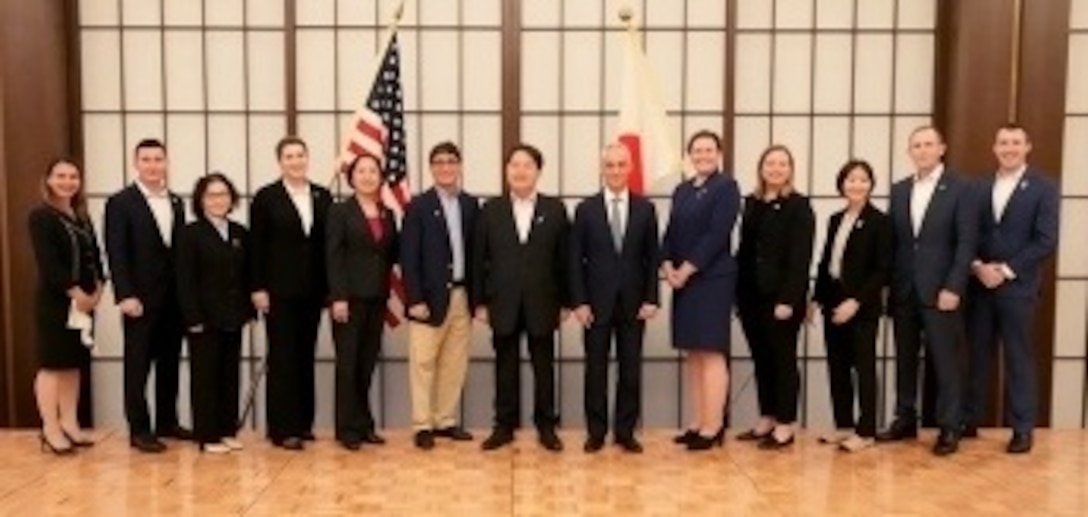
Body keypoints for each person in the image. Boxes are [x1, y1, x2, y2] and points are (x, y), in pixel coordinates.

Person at [879, 126, 976, 456]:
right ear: (910, 152)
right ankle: (905, 417)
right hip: (904, 288)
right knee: (904, 358)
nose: (922, 150)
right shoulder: (900, 190)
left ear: (941, 148)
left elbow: (966, 242)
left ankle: (950, 425)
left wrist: (954, 285)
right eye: (916, 145)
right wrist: (887, 286)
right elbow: (894, 242)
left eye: (928, 144)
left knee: (946, 361)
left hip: (941, 290)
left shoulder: (961, 188)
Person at [963, 124, 1059, 454]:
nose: (1009, 148)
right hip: (979, 284)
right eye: (1003, 142)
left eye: (1016, 143)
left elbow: (1046, 240)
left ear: (1028, 147)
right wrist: (977, 266)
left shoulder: (1044, 187)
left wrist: (1005, 270)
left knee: (1019, 358)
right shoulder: (978, 187)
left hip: (1017, 287)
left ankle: (1021, 428)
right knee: (976, 355)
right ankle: (969, 420)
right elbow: (967, 233)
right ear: (994, 148)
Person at [474, 144, 570, 452]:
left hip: (543, 300)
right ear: (506, 171)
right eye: (514, 165)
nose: (520, 171)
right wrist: (479, 302)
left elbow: (564, 260)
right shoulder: (490, 210)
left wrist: (567, 302)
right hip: (502, 301)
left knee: (544, 367)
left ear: (538, 171)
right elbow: (479, 259)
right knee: (505, 365)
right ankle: (504, 425)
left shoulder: (555, 209)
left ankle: (546, 426)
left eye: (527, 165)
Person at [569, 143, 659, 454]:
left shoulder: (646, 209)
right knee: (595, 370)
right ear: (602, 168)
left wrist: (652, 298)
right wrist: (579, 302)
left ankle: (625, 432)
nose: (616, 171)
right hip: (595, 305)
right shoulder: (586, 209)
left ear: (630, 167)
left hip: (635, 304)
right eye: (610, 165)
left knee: (630, 370)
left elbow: (652, 257)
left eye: (622, 165)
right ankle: (596, 432)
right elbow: (574, 260)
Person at [104, 139, 189, 453]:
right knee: (138, 365)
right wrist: (125, 294)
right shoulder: (121, 202)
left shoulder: (177, 202)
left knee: (170, 362)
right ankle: (139, 429)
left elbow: (178, 252)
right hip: (138, 299)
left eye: (158, 159)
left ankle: (167, 421)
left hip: (173, 299)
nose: (153, 165)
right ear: (135, 163)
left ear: (166, 163)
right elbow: (116, 251)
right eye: (147, 160)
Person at [249, 136, 333, 450]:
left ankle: (303, 423)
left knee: (304, 355)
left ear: (307, 159)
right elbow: (256, 246)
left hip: (312, 291)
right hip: (278, 291)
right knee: (282, 357)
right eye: (289, 156)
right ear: (280, 162)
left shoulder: (322, 196)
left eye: (300, 155)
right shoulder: (266, 198)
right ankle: (282, 428)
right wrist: (258, 287)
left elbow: (326, 246)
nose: (295, 161)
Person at [663, 130, 742, 452]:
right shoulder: (682, 190)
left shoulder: (727, 187)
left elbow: (716, 234)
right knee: (693, 352)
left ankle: (713, 426)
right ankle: (697, 422)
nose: (703, 155)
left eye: (709, 150)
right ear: (689, 155)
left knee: (710, 351)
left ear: (719, 153)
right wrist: (668, 264)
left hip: (712, 278)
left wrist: (687, 268)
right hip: (683, 281)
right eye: (697, 150)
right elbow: (670, 233)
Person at [735, 144, 816, 450]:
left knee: (783, 360)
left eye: (783, 164)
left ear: (790, 169)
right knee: (762, 359)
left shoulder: (799, 206)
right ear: (761, 168)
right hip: (751, 296)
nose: (776, 169)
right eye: (770, 163)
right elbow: (745, 250)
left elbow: (800, 258)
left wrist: (789, 299)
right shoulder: (752, 203)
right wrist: (738, 295)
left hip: (781, 298)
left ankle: (785, 424)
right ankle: (767, 416)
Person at [400, 142, 478, 450]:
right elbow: (408, 256)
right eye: (439, 162)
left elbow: (478, 253)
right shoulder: (418, 206)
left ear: (459, 166)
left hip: (462, 295)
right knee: (423, 362)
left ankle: (445, 419)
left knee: (454, 362)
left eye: (451, 161)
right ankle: (422, 423)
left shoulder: (472, 205)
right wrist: (414, 298)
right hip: (428, 299)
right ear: (432, 168)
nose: (446, 167)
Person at [811, 160, 891, 453]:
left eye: (863, 180)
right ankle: (843, 425)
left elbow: (882, 270)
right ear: (842, 184)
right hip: (833, 303)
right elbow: (825, 263)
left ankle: (867, 429)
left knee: (864, 367)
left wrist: (856, 302)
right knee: (838, 367)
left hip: (862, 306)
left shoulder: (880, 222)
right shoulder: (835, 219)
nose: (856, 185)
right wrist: (815, 298)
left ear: (871, 185)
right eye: (851, 180)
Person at [28, 159, 104, 455]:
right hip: (56, 300)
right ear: (48, 180)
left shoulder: (81, 216)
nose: (67, 182)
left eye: (73, 176)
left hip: (85, 301)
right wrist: (74, 291)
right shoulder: (41, 217)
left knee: (73, 363)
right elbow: (48, 262)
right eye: (60, 176)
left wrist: (97, 289)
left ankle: (70, 423)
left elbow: (95, 256)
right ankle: (50, 427)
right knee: (52, 364)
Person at [176, 173, 252, 454]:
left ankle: (226, 429)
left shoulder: (240, 233)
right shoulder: (189, 233)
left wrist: (247, 309)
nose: (218, 200)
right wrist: (192, 317)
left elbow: (247, 275)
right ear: (200, 200)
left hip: (233, 315)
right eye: (211, 195)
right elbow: (184, 279)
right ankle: (207, 435)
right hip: (203, 317)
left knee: (229, 373)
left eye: (223, 194)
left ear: (231, 198)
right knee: (205, 375)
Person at [326, 154, 399, 451]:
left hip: (377, 297)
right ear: (351, 176)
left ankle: (364, 423)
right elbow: (333, 256)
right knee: (348, 364)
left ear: (380, 177)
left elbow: (390, 254)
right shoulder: (340, 212)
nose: (368, 176)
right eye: (361, 171)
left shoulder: (387, 213)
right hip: (349, 299)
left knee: (366, 364)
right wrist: (338, 297)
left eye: (373, 171)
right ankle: (346, 428)